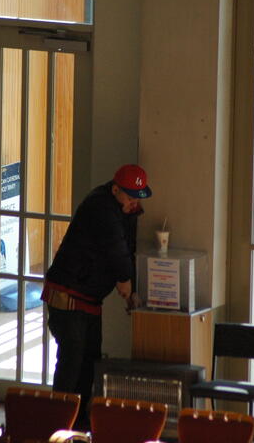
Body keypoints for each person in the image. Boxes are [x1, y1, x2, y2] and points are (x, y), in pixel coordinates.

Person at [41, 163, 152, 429]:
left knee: (90, 361)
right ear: (115, 190)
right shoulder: (99, 207)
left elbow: (128, 249)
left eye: (138, 197)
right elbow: (116, 249)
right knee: (71, 361)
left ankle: (79, 423)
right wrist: (126, 285)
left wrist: (130, 285)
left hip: (90, 298)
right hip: (68, 294)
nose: (134, 203)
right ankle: (59, 423)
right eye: (129, 197)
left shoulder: (128, 209)